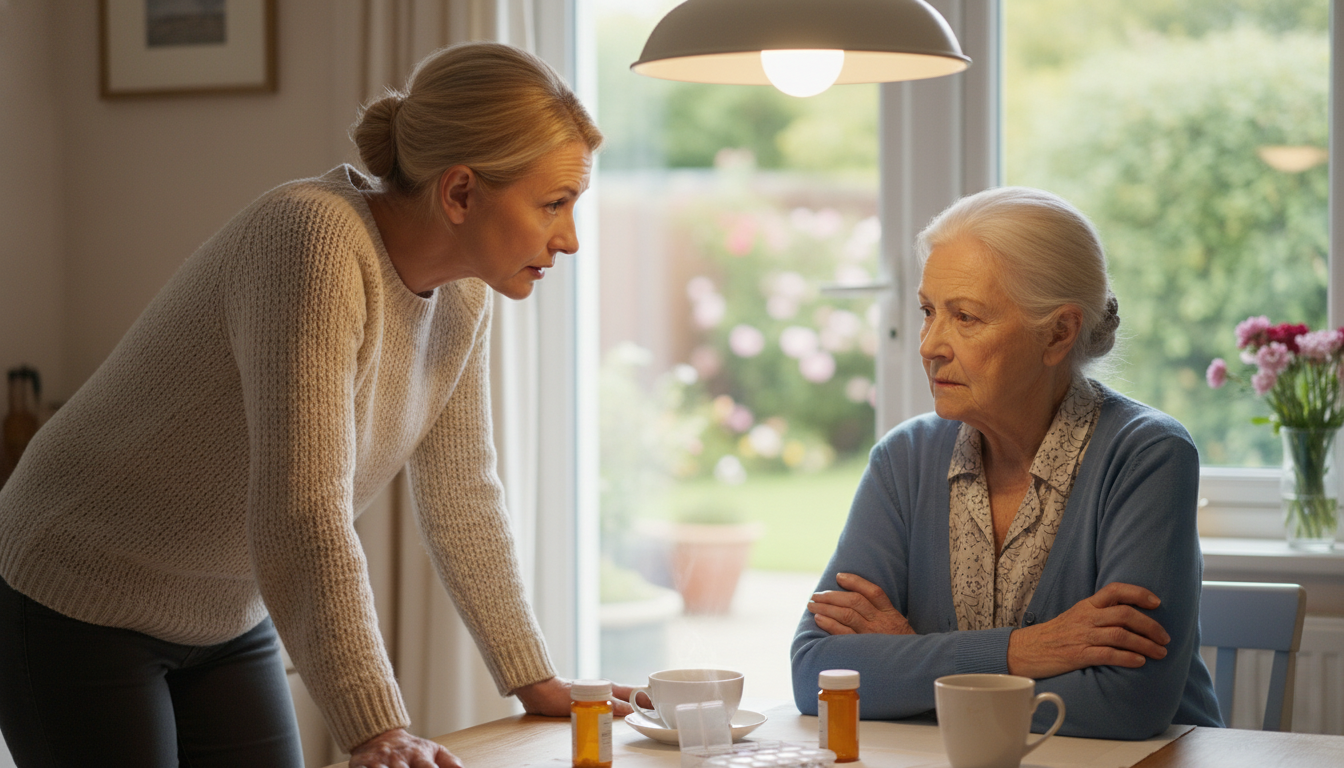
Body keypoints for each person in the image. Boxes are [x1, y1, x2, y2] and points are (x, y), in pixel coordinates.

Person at [0, 42, 636, 768]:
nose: (571, 238)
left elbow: (463, 493)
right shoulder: (309, 239)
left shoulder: (463, 292)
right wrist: (379, 729)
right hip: (79, 592)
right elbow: (302, 507)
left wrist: (535, 678)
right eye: (554, 203)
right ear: (459, 193)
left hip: (227, 609)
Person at [790, 187, 1223, 740]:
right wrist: (1023, 650)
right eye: (928, 312)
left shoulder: (1147, 455)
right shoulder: (904, 460)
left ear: (1058, 333)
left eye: (965, 317)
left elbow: (1125, 704)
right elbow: (817, 678)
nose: (929, 345)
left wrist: (909, 664)